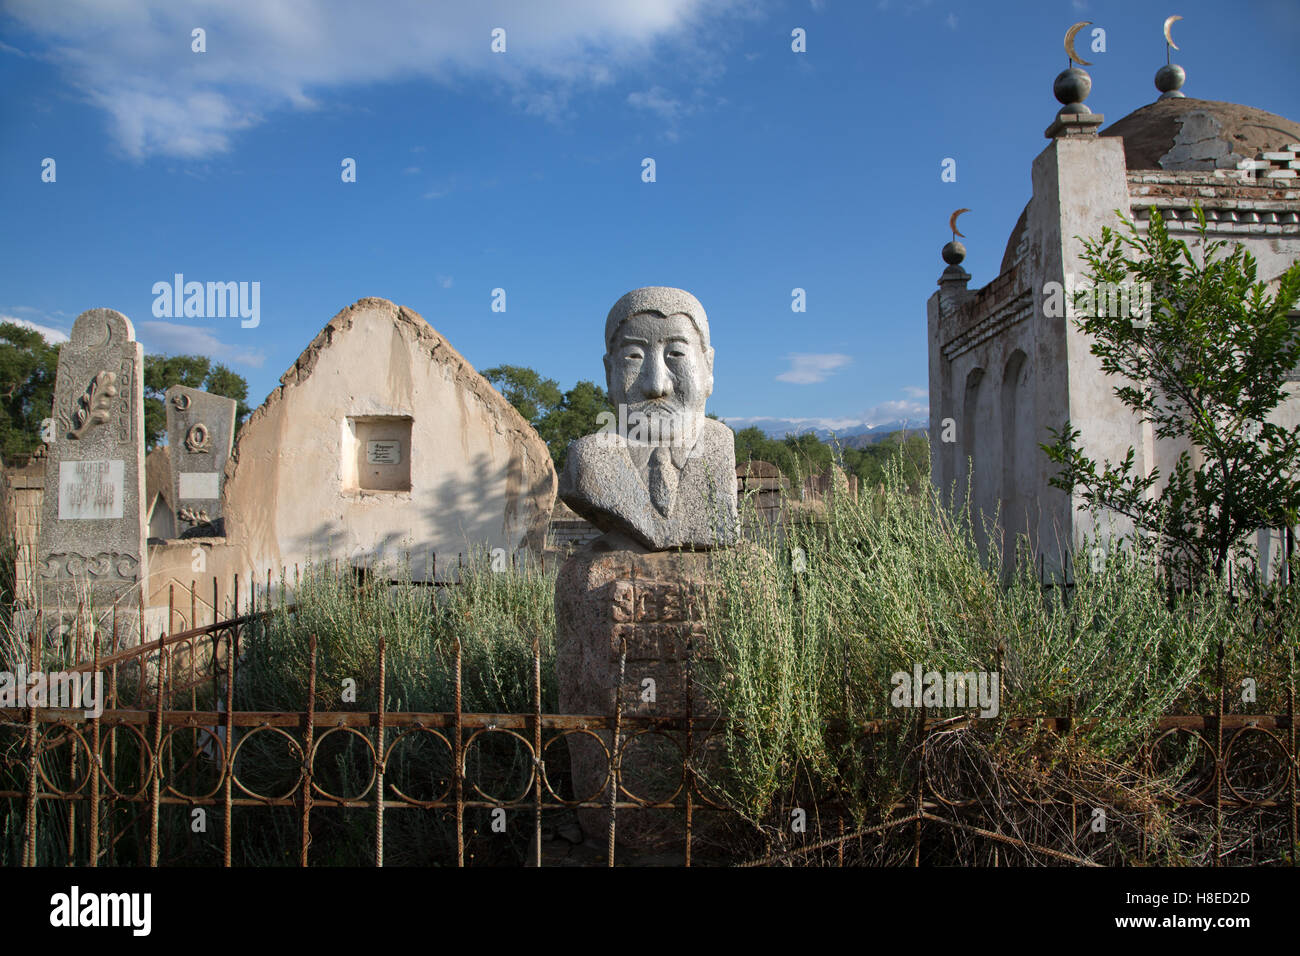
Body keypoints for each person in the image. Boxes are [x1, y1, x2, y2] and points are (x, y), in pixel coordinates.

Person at [559, 287, 738, 550]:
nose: (656, 386)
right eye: (633, 357)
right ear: (609, 373)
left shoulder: (719, 447)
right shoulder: (590, 459)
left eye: (676, 354)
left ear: (708, 367)